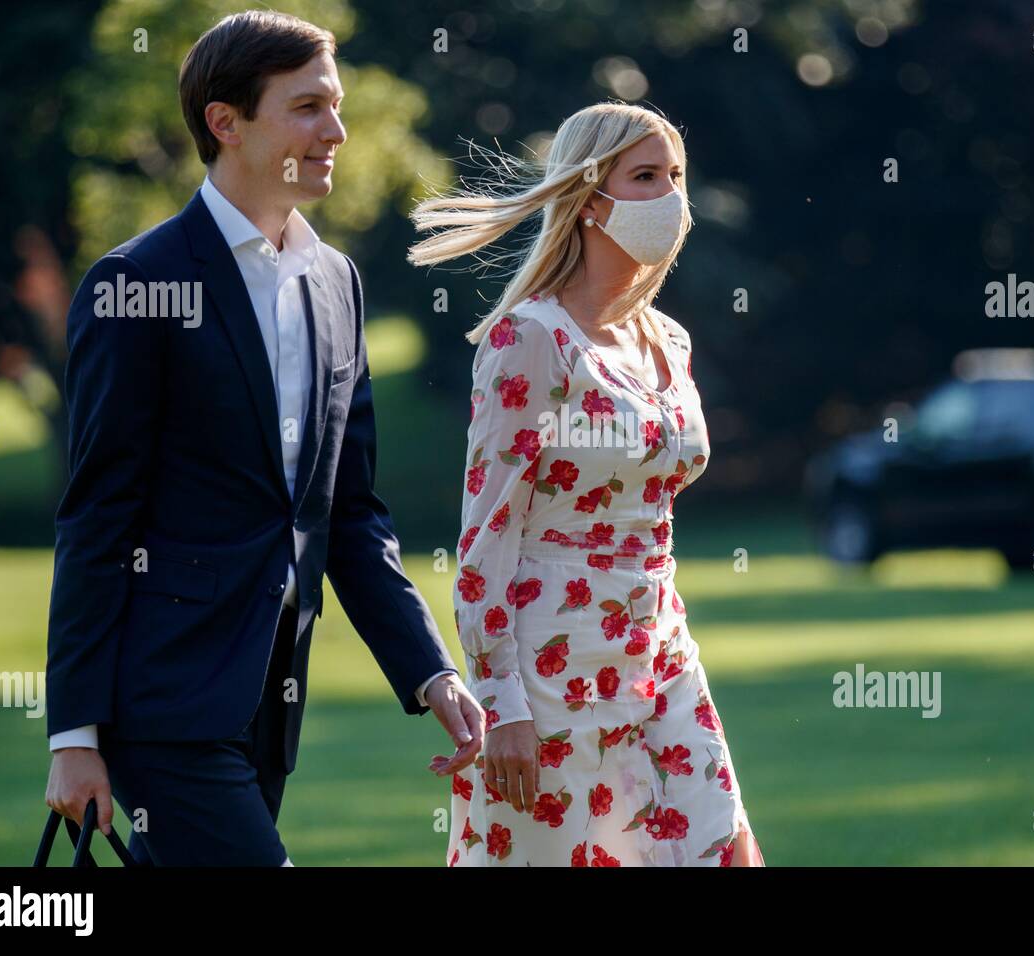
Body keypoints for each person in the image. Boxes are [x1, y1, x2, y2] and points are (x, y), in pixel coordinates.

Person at [43, 10, 483, 866]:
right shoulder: (135, 284)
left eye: (337, 105)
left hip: (270, 702)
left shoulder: (336, 282)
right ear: (226, 122)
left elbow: (349, 514)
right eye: (309, 107)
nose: (337, 131)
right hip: (160, 701)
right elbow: (97, 515)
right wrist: (73, 733)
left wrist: (432, 672)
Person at [408, 102, 765, 866]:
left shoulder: (669, 339)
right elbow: (486, 537)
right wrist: (499, 704)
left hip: (660, 644)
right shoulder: (530, 338)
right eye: (645, 177)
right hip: (552, 674)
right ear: (590, 196)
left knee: (723, 850)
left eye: (676, 176)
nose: (671, 196)